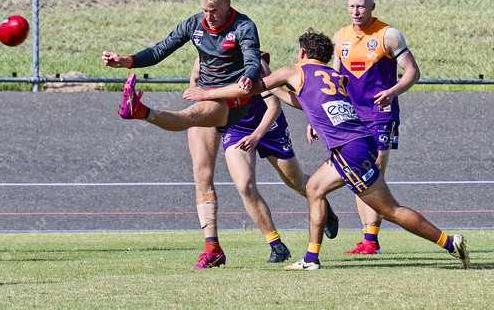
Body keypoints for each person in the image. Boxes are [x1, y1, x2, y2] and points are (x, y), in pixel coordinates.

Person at [183, 30, 469, 270]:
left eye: (298, 52)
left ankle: (448, 242)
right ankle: (311, 258)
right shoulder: (333, 75)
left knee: (389, 210)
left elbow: (248, 89)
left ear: (303, 53)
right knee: (315, 189)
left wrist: (208, 93)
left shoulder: (295, 70)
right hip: (362, 142)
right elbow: (305, 102)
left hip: (349, 150)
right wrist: (279, 93)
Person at [102, 0, 261, 269]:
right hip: (205, 96)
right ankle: (212, 249)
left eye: (214, 10)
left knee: (190, 115)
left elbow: (252, 61)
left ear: (228, 5)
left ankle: (142, 111)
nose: (208, 16)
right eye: (205, 10)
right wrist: (125, 61)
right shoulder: (194, 24)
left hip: (232, 101)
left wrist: (248, 78)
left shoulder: (243, 26)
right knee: (202, 172)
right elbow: (159, 50)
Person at [190, 53, 339, 264]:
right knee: (245, 185)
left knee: (295, 181)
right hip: (236, 128)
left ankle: (323, 205)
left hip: (269, 126)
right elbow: (195, 83)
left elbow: (274, 106)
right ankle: (277, 246)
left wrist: (256, 136)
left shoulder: (254, 62)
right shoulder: (202, 62)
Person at [331, 0, 420, 255]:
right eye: (351, 6)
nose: (356, 11)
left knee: (375, 170)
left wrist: (392, 92)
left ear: (372, 7)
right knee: (359, 172)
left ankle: (371, 240)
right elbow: (333, 82)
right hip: (351, 116)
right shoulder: (340, 37)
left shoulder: (388, 35)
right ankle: (368, 239)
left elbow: (413, 72)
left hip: (381, 114)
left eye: (361, 6)